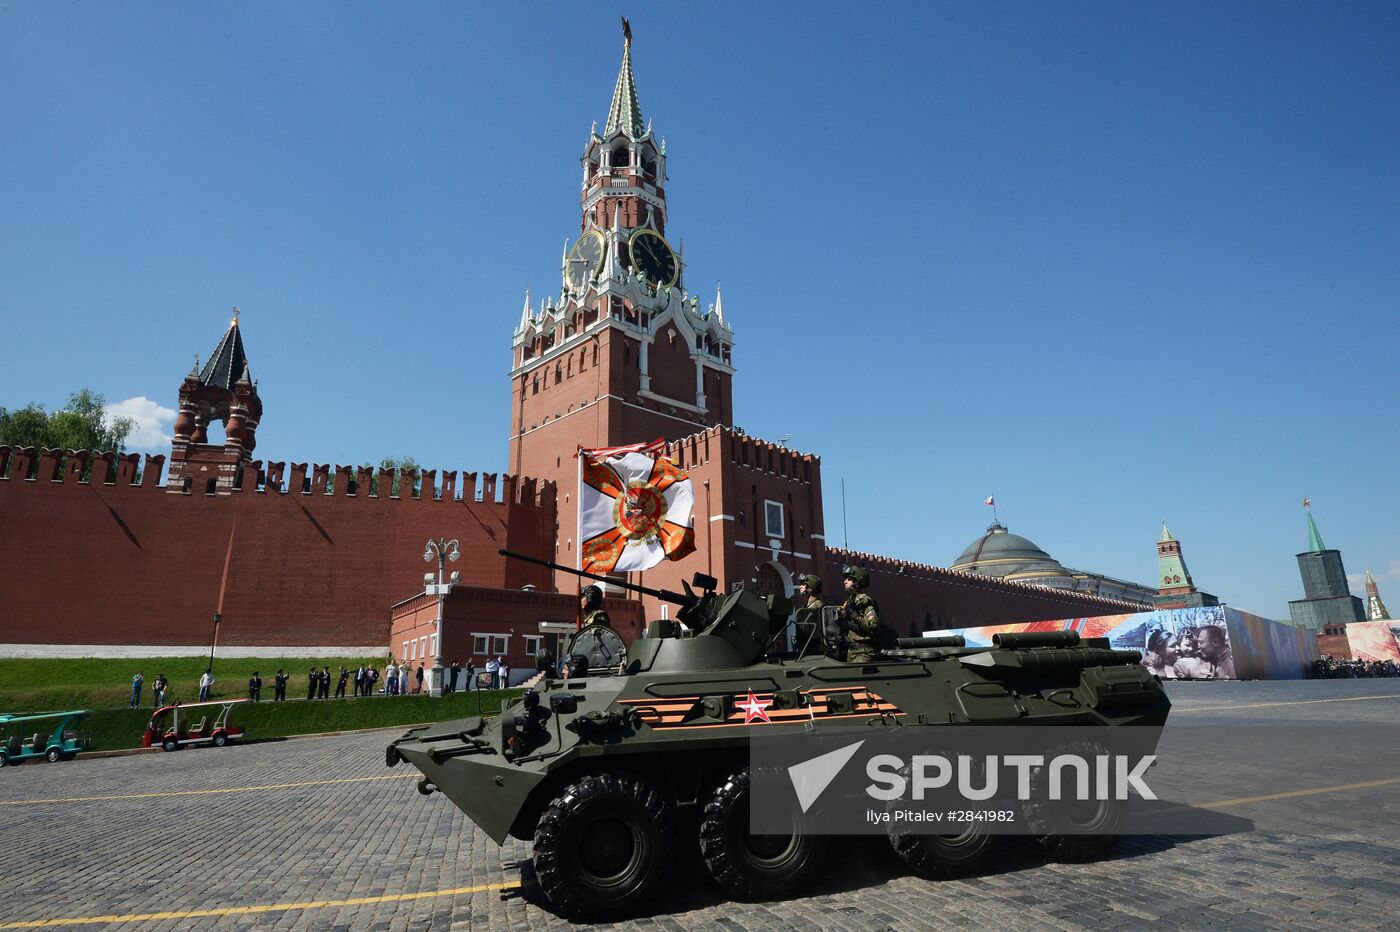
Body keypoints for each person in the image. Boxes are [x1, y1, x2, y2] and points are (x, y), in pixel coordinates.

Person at [839, 566, 882, 664]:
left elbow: (872, 626)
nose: (845, 582)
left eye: (848, 579)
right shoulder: (849, 601)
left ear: (857, 581)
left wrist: (854, 615)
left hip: (863, 653)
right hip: (851, 651)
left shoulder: (865, 602)